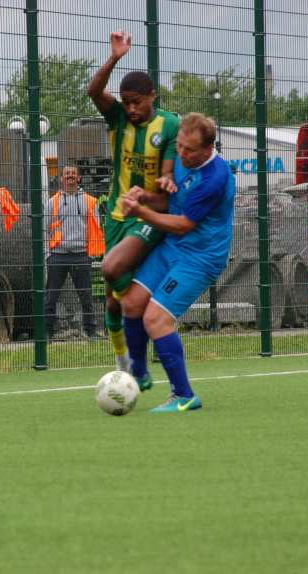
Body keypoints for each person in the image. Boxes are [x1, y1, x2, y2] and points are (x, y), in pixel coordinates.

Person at [120, 113, 235, 412]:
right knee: (131, 303)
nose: (181, 155)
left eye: (189, 150)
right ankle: (140, 374)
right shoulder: (184, 160)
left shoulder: (216, 178)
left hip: (200, 257)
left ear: (208, 149)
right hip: (174, 246)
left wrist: (139, 211)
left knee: (155, 319)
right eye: (180, 147)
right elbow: (170, 204)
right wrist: (144, 196)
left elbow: (184, 223)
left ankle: (184, 396)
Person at [87, 28, 179, 378]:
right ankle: (125, 360)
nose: (131, 108)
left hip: (150, 216)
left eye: (137, 101)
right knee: (114, 300)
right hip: (116, 216)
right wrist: (114, 57)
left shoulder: (169, 125)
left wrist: (152, 192)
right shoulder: (119, 118)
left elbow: (167, 184)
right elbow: (93, 91)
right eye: (126, 102)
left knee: (111, 269)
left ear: (152, 96)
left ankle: (142, 355)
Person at [44, 164, 105, 339]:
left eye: (73, 173)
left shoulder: (90, 202)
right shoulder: (51, 202)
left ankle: (91, 333)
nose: (70, 176)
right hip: (57, 255)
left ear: (78, 178)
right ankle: (47, 334)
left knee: (86, 297)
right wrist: (47, 255)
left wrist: (90, 255)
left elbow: (96, 228)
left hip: (81, 255)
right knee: (51, 298)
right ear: (61, 178)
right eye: (66, 174)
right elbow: (44, 230)